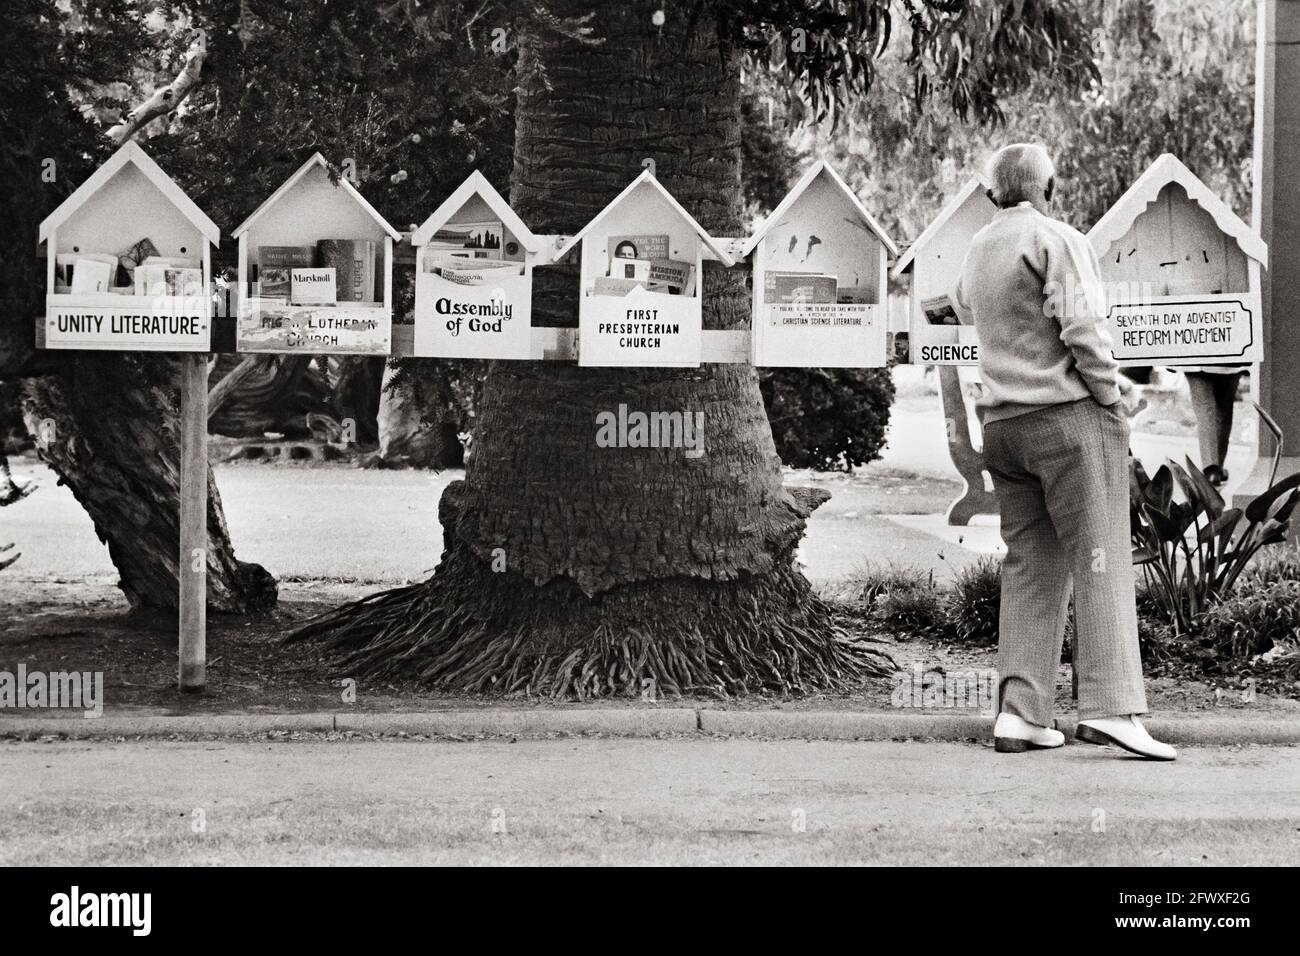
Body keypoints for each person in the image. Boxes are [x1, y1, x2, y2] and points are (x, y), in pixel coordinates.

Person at [953, 143, 1176, 761]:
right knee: (1101, 555)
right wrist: (1113, 399)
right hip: (1067, 422)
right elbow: (1083, 330)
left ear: (995, 193)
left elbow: (963, 303)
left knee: (1031, 564)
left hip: (1002, 425)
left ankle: (1020, 715)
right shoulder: (1057, 238)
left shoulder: (977, 248)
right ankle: (1113, 710)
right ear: (1048, 184)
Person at [1183, 364, 1246, 486]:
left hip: (1194, 355)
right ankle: (1217, 467)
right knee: (1224, 408)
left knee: (1204, 407)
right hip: (1227, 355)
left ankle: (1211, 468)